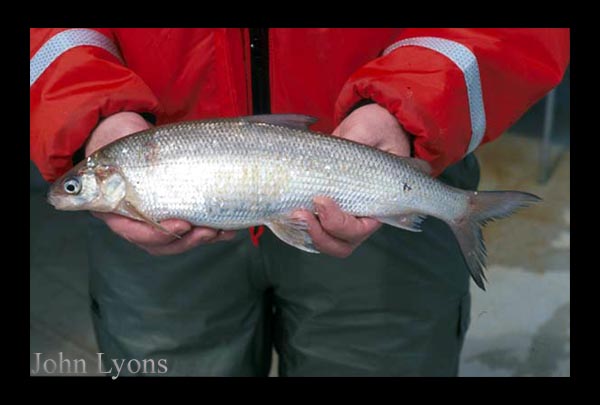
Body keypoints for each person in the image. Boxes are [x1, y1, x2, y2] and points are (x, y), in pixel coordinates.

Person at [30, 28, 570, 376]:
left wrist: (414, 104)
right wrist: (87, 107)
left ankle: (456, 207)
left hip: (384, 159)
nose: (70, 193)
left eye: (79, 187)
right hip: (155, 195)